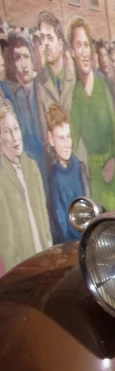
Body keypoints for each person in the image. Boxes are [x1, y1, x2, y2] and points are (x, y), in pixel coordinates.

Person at [67, 18, 115, 212]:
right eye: (78, 45)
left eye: (86, 45)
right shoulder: (75, 95)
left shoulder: (105, 85)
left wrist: (112, 160)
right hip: (92, 176)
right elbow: (74, 141)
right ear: (72, 52)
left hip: (114, 170)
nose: (83, 52)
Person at [0, 98, 52, 271]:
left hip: (44, 257)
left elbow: (44, 222)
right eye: (7, 131)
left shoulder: (32, 166)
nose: (15, 137)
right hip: (21, 265)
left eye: (15, 128)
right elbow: (6, 237)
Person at [33, 11, 76, 161]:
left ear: (60, 43)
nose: (45, 44)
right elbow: (44, 134)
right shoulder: (39, 83)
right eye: (42, 38)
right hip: (57, 168)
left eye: (50, 38)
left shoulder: (73, 79)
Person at [8, 31, 46, 196]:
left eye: (25, 57)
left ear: (33, 59)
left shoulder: (44, 91)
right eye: (18, 58)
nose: (23, 65)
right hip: (30, 173)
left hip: (50, 168)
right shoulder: (14, 98)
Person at [45, 103, 86, 243]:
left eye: (68, 137)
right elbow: (60, 221)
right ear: (51, 139)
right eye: (61, 139)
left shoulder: (79, 167)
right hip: (71, 242)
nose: (67, 144)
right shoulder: (55, 177)